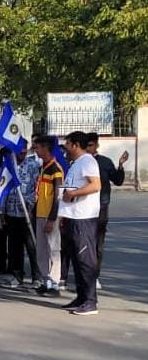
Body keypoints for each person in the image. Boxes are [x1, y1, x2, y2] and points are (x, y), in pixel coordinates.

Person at [58, 131, 102, 316]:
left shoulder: (88, 161)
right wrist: (62, 215)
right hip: (71, 217)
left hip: (83, 218)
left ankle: (91, 302)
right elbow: (68, 189)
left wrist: (73, 194)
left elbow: (96, 185)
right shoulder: (75, 163)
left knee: (85, 260)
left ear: (75, 145)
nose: (65, 148)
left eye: (67, 144)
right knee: (76, 260)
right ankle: (81, 297)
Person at [0, 144, 41, 289]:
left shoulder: (33, 165)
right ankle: (17, 276)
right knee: (15, 247)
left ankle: (37, 277)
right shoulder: (8, 165)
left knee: (32, 245)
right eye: (18, 151)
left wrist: (31, 204)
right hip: (11, 211)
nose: (21, 153)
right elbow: (2, 187)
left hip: (28, 212)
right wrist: (1, 211)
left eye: (24, 150)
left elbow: (37, 187)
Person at [85, 133, 126, 282]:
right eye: (86, 145)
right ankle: (82, 273)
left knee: (98, 243)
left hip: (101, 207)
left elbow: (118, 181)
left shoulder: (105, 162)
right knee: (83, 242)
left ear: (97, 145)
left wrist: (120, 165)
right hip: (83, 207)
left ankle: (94, 276)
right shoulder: (79, 162)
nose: (88, 148)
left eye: (90, 145)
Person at [33, 136, 64, 297]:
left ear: (45, 148)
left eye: (37, 147)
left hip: (50, 216)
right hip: (40, 214)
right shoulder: (43, 167)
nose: (35, 150)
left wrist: (52, 219)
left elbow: (58, 196)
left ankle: (55, 283)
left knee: (53, 250)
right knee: (42, 251)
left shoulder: (55, 170)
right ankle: (46, 280)